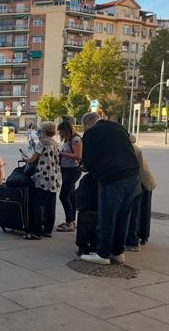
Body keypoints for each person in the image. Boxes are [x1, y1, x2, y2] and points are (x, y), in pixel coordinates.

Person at [80, 112, 140, 265]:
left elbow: (87, 161)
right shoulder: (118, 127)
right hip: (133, 176)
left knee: (107, 216)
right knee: (123, 217)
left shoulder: (91, 133)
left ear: (87, 124)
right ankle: (118, 252)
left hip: (112, 178)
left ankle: (103, 254)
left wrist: (86, 168)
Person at [23, 121, 62, 240]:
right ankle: (48, 230)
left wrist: (26, 159)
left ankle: (36, 232)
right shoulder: (55, 143)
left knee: (39, 205)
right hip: (54, 177)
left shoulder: (42, 143)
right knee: (51, 206)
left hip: (43, 177)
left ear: (44, 131)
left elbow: (33, 158)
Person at [125, 134, 156, 251]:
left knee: (133, 212)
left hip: (140, 183)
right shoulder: (134, 146)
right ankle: (141, 236)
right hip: (144, 182)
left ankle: (133, 241)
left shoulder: (130, 148)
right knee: (140, 211)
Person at [56, 120, 83, 232]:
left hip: (73, 171)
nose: (60, 134)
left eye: (61, 131)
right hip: (67, 170)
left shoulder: (75, 140)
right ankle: (71, 221)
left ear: (66, 130)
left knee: (64, 196)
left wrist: (61, 153)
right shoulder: (68, 140)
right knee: (71, 195)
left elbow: (78, 156)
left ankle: (69, 222)